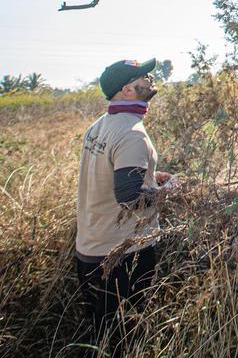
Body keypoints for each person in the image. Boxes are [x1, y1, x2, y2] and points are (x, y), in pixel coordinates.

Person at [74, 58, 174, 349]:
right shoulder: (132, 134)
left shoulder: (99, 126)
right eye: (143, 76)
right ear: (127, 90)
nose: (150, 78)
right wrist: (169, 191)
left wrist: (152, 177)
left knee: (102, 337)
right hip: (123, 254)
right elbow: (129, 198)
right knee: (124, 340)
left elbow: (112, 174)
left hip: (90, 249)